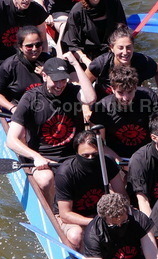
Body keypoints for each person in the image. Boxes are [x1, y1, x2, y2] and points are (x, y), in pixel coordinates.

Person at [6, 55, 96, 203]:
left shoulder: (73, 91)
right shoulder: (31, 98)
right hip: (43, 158)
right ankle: (54, 211)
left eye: (63, 80)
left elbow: (90, 98)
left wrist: (75, 64)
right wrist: (36, 157)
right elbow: (11, 140)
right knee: (46, 180)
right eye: (55, 80)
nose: (60, 85)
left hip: (73, 156)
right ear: (44, 76)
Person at [54, 130, 126, 248]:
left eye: (95, 155)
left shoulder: (107, 163)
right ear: (77, 153)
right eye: (85, 156)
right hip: (73, 217)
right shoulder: (65, 173)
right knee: (76, 235)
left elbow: (122, 194)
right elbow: (65, 214)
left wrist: (117, 217)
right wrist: (97, 222)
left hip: (100, 213)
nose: (91, 158)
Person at [87, 23, 158, 106]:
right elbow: (82, 83)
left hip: (130, 100)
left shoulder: (142, 61)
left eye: (128, 47)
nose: (125, 52)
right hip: (104, 102)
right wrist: (86, 107)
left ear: (133, 47)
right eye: (120, 48)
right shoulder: (101, 63)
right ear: (111, 48)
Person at [91, 66, 158, 159]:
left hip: (147, 154)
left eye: (129, 91)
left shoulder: (149, 97)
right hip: (118, 157)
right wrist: (119, 161)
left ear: (135, 87)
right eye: (120, 92)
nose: (125, 98)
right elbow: (99, 145)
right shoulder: (102, 107)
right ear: (112, 89)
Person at [60, 0, 127, 63]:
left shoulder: (113, 1)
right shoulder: (77, 11)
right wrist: (85, 60)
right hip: (87, 57)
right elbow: (71, 44)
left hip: (112, 52)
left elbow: (122, 28)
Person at [0, 26, 50, 114]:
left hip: (46, 108)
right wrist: (13, 108)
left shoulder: (49, 61)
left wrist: (48, 77)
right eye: (29, 46)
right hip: (20, 111)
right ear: (20, 47)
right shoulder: (9, 65)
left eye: (38, 44)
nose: (34, 49)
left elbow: (61, 87)